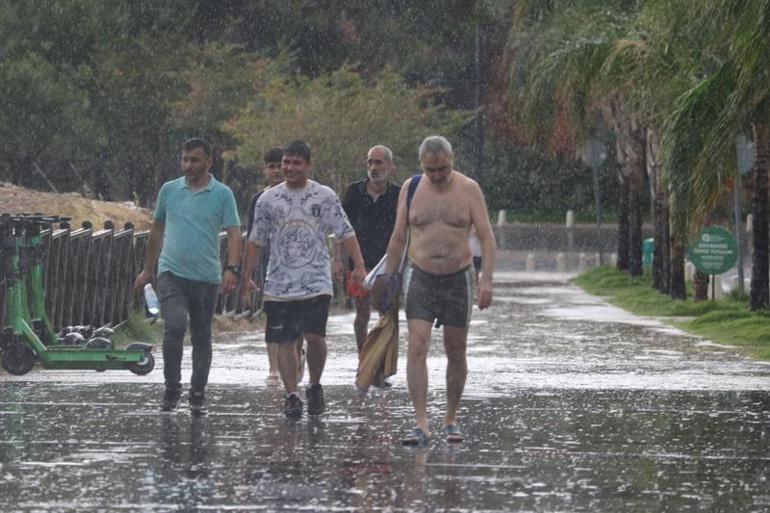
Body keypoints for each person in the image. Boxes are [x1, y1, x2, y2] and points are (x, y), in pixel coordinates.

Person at [380, 135, 496, 445]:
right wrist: (389, 280)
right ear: (422, 166)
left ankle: (450, 418)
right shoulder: (411, 189)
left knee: (455, 348)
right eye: (431, 170)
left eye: (443, 169)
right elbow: (398, 237)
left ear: (452, 161)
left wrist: (486, 280)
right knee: (417, 345)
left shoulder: (468, 189)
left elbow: (486, 237)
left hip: (459, 277)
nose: (437, 176)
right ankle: (420, 422)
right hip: (421, 276)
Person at [241, 140, 367, 419]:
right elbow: (256, 240)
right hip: (279, 282)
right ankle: (291, 394)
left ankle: (315, 384)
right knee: (286, 339)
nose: (289, 168)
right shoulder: (267, 200)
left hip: (315, 280)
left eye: (297, 163)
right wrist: (246, 276)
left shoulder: (323, 195)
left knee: (315, 336)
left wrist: (358, 266)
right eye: (286, 162)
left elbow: (345, 231)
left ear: (308, 166)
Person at [134, 137, 241, 416]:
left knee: (202, 333)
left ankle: (198, 392)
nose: (188, 165)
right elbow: (157, 230)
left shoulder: (222, 194)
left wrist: (232, 267)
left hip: (207, 276)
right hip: (172, 272)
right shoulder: (169, 190)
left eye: (195, 160)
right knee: (175, 325)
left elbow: (233, 231)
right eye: (185, 159)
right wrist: (148, 269)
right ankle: (172, 387)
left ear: (209, 162)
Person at [338, 145, 400, 385]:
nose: (374, 168)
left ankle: (381, 367)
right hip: (359, 263)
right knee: (362, 312)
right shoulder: (354, 192)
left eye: (379, 163)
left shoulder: (398, 194)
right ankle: (363, 362)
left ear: (390, 166)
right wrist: (340, 261)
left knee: (387, 316)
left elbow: (405, 229)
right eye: (370, 162)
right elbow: (343, 228)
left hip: (388, 263)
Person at [246, 148, 306, 386]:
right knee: (273, 318)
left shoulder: (301, 196)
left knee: (297, 319)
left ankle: (296, 353)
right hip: (268, 267)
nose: (275, 171)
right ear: (265, 170)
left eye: (278, 166)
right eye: (270, 167)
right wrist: (247, 272)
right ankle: (273, 367)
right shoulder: (258, 200)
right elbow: (252, 237)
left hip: (298, 267)